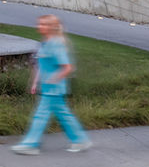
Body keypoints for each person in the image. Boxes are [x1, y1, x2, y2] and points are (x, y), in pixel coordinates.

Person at [12, 14, 91, 155]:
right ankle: (80, 140)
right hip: (49, 88)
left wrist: (54, 79)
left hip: (54, 89)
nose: (40, 26)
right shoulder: (46, 43)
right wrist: (36, 82)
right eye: (39, 24)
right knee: (63, 115)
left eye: (43, 24)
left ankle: (31, 144)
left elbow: (67, 67)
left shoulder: (56, 44)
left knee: (41, 116)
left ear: (52, 27)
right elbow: (42, 66)